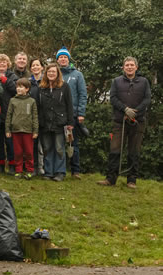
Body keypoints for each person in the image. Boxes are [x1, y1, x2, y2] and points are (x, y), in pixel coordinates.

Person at [97, 57, 151, 189]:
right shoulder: (116, 81)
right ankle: (111, 179)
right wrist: (125, 109)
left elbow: (147, 99)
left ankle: (131, 180)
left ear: (136, 67)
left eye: (132, 65)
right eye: (127, 65)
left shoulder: (144, 82)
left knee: (134, 151)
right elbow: (113, 98)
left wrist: (136, 112)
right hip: (119, 121)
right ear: (123, 67)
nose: (129, 67)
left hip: (138, 122)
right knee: (115, 150)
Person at [37, 63, 74, 182]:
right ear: (46, 74)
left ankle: (60, 172)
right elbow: (38, 106)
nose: (51, 74)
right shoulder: (41, 88)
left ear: (58, 73)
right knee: (47, 148)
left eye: (53, 72)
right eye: (49, 72)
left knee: (59, 148)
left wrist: (70, 122)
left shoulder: (65, 87)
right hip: (45, 123)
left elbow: (69, 105)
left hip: (60, 122)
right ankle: (48, 172)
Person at [57, 46, 87, 179]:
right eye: (60, 57)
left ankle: (75, 171)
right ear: (57, 60)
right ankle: (60, 170)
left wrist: (81, 113)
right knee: (58, 144)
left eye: (65, 57)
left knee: (72, 143)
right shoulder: (55, 74)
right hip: (57, 116)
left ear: (68, 59)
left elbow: (82, 94)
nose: (63, 59)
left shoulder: (77, 75)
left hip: (73, 115)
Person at [5, 78, 38, 180]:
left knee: (28, 152)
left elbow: (35, 116)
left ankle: (29, 170)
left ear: (27, 89)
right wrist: (7, 130)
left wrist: (35, 130)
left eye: (21, 87)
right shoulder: (13, 100)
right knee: (18, 152)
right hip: (16, 130)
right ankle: (18, 170)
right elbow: (9, 115)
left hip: (28, 131)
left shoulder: (31, 101)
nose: (18, 89)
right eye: (17, 87)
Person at [0, 54, 18, 174]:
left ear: (8, 64)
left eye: (4, 63)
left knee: (10, 142)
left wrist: (6, 81)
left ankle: (12, 165)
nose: (2, 64)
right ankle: (0, 165)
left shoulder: (12, 76)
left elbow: (16, 90)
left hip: (9, 113)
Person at [29, 58, 46, 175]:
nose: (35, 67)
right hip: (31, 117)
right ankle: (35, 167)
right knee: (33, 144)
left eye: (37, 65)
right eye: (33, 65)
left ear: (42, 67)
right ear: (30, 68)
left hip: (44, 116)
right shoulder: (28, 83)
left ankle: (44, 166)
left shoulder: (46, 81)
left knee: (45, 144)